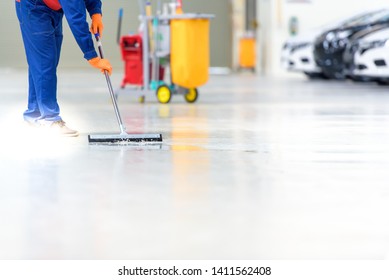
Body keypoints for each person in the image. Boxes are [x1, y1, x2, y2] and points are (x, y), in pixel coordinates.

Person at [15, 0, 113, 137]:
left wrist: (96, 12)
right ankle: (50, 119)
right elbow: (76, 19)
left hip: (52, 8)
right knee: (44, 63)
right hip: (33, 7)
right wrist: (93, 57)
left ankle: (34, 114)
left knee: (43, 62)